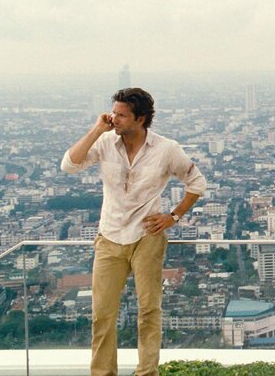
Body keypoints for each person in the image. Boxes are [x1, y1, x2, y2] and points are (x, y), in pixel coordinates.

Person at [61, 88, 206, 376]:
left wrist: (173, 216)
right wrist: (96, 129)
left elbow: (197, 182)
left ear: (140, 119)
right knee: (102, 314)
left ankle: (147, 372)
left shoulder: (166, 149)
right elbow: (69, 165)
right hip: (109, 236)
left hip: (146, 237)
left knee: (149, 311)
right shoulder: (105, 142)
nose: (114, 118)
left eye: (121, 115)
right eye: (113, 112)